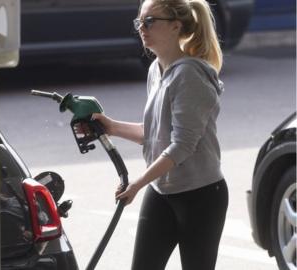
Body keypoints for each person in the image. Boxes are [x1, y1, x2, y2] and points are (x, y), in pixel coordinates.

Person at [92, 0, 228, 269]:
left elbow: (181, 146)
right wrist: (111, 126)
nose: (142, 28)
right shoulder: (156, 69)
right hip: (162, 191)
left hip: (200, 196)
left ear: (176, 26)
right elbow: (154, 134)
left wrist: (136, 184)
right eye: (140, 22)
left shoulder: (189, 75)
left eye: (150, 21)